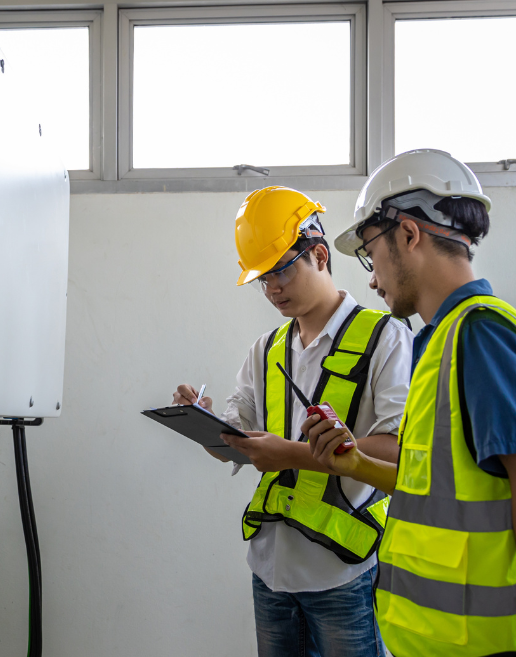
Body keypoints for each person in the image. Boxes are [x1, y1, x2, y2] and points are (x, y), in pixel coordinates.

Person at [305, 149, 516, 657]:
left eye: (371, 253)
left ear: (408, 234)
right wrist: (356, 462)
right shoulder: (441, 342)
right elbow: (432, 485)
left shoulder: (480, 334)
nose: (372, 278)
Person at [173, 186, 411, 657]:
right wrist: (201, 423)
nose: (272, 289)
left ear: (319, 254)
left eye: (280, 271)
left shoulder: (386, 337)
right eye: (263, 279)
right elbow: (232, 443)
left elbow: (397, 451)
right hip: (270, 571)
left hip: (344, 571)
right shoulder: (266, 349)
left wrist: (293, 454)